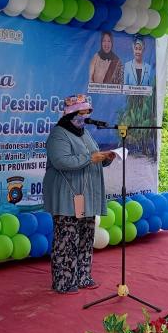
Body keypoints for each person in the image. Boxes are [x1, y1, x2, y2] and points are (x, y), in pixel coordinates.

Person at [43, 94, 115, 294]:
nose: (84, 118)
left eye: (87, 113)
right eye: (81, 114)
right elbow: (62, 161)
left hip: (86, 195)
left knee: (85, 236)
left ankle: (83, 277)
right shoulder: (58, 134)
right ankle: (64, 281)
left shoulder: (84, 133)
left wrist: (106, 158)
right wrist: (90, 158)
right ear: (70, 114)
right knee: (67, 238)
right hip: (68, 195)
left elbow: (93, 155)